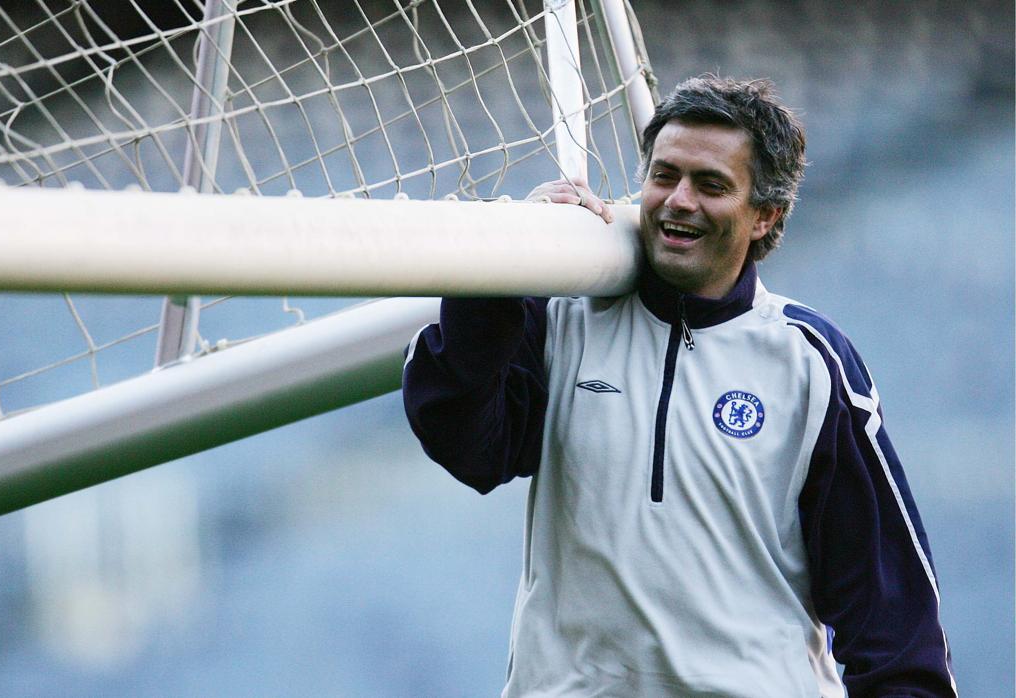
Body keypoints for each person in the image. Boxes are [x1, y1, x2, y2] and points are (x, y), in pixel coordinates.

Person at [402, 76, 955, 697]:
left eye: (711, 185)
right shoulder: (563, 317)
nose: (679, 201)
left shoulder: (809, 364)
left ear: (765, 214)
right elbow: (466, 444)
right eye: (664, 176)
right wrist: (507, 267)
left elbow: (891, 615)